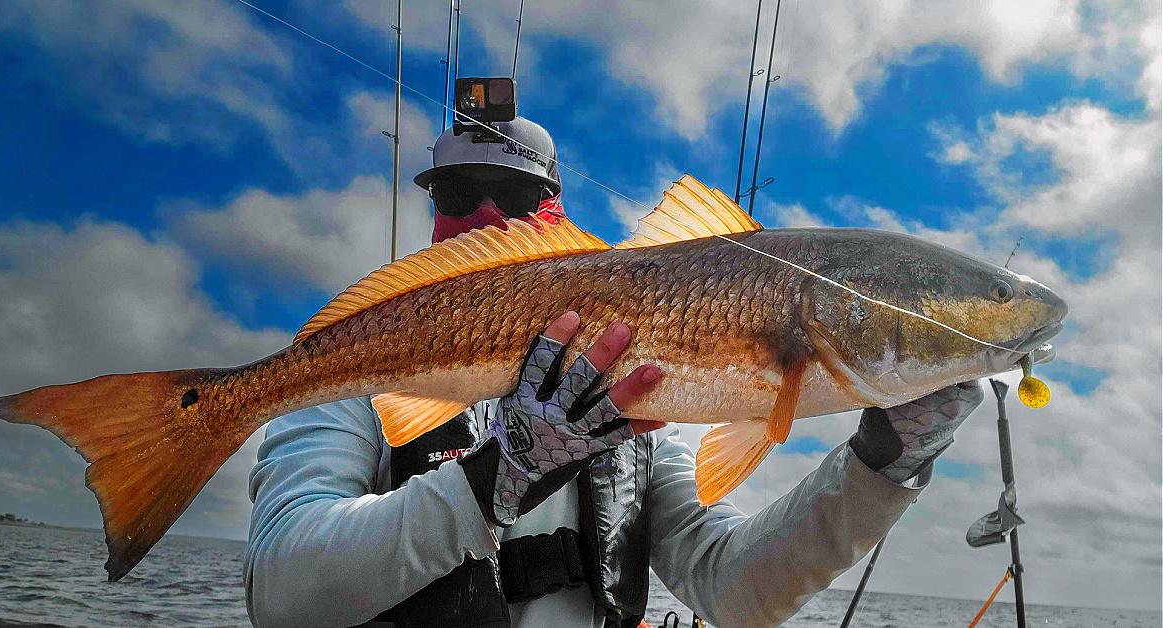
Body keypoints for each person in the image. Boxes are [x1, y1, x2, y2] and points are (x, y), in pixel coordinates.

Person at [243, 116, 984, 628]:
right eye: (458, 194)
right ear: (434, 213)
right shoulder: (351, 384)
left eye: (521, 195)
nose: (487, 216)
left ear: (556, 212)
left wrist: (881, 468)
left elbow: (731, 591)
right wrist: (499, 477)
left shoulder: (638, 410)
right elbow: (281, 594)